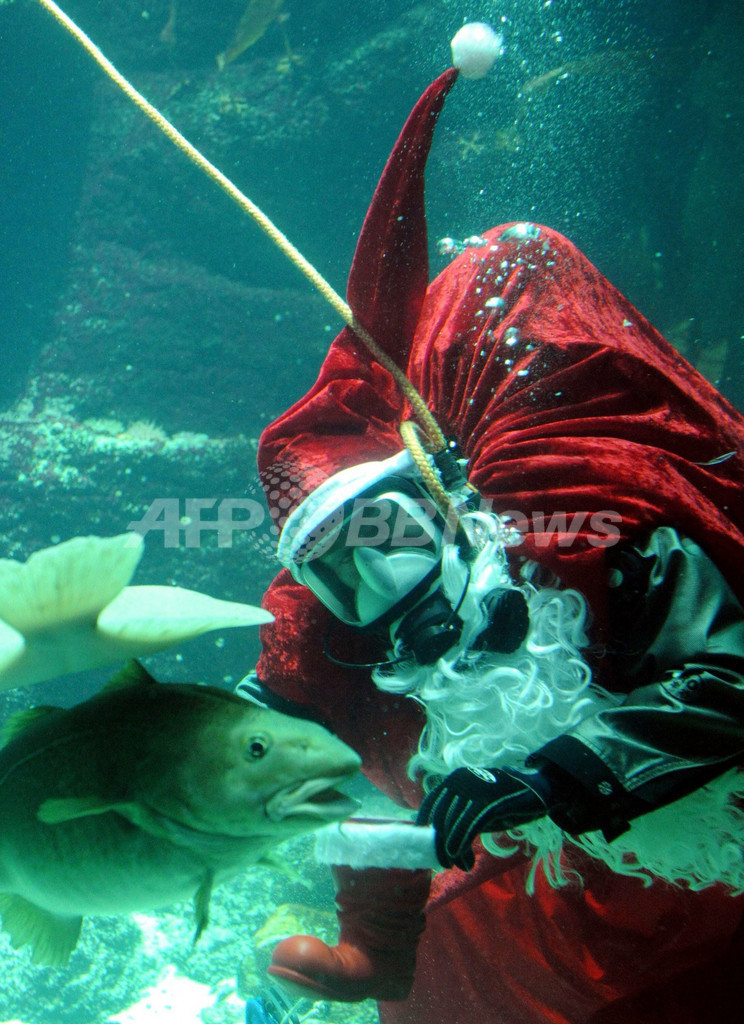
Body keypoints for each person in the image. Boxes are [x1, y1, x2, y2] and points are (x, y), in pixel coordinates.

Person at [249, 68, 744, 1024]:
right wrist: (376, 943)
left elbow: (731, 682)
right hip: (618, 908)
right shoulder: (368, 652)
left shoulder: (603, 538)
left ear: (443, 501)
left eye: (386, 539)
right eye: (338, 577)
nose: (378, 587)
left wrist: (551, 776)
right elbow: (361, 782)